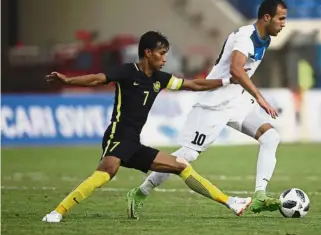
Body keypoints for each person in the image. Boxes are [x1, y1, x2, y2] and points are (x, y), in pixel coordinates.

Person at [42, 31, 252, 223]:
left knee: (180, 165)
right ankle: (57, 212)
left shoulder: (160, 79)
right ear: (148, 52)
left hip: (133, 143)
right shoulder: (127, 72)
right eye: (161, 53)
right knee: (106, 172)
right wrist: (68, 80)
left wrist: (226, 81)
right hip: (117, 136)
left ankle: (231, 202)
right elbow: (98, 79)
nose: (165, 58)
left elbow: (193, 84)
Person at [128, 0, 287, 219]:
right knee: (185, 157)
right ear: (267, 17)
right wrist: (260, 97)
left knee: (271, 137)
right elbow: (236, 70)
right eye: (281, 18)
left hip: (237, 102)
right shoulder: (245, 37)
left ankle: (260, 196)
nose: (284, 23)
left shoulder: (266, 39)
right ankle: (140, 192)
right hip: (214, 103)